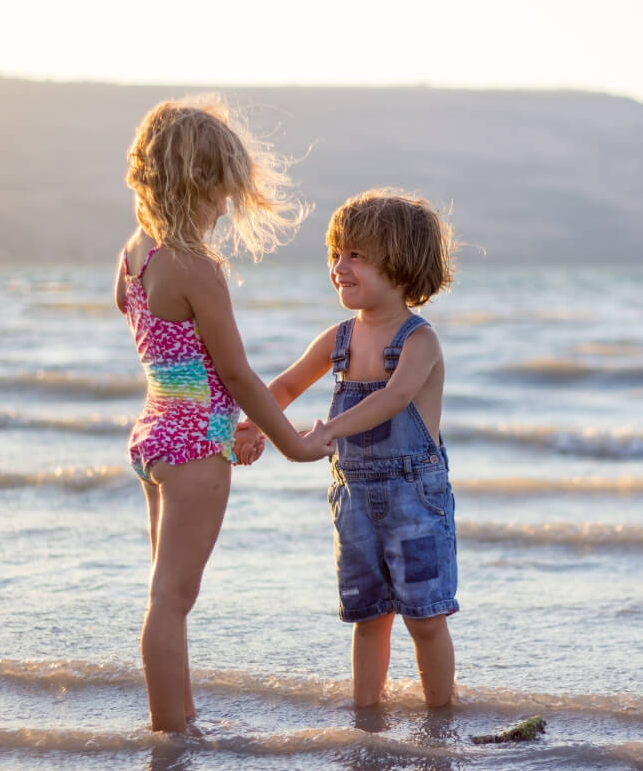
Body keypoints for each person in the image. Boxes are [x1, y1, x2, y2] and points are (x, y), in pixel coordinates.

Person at [114, 97, 333, 733]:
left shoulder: (136, 255)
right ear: (200, 186)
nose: (224, 210)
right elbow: (235, 373)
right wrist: (292, 442)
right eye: (221, 194)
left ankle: (179, 720)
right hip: (192, 454)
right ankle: (171, 735)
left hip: (154, 437)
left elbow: (157, 344)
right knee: (172, 601)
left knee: (167, 597)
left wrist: (209, 417)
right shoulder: (196, 269)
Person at [246, 188, 459, 707]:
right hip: (355, 503)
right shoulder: (338, 338)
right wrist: (253, 424)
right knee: (367, 617)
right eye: (335, 254)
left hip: (415, 502)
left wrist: (328, 432)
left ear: (402, 264)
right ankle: (367, 716)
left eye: (356, 255)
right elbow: (284, 387)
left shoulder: (418, 341)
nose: (340, 266)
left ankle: (441, 714)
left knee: (424, 618)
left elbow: (394, 398)